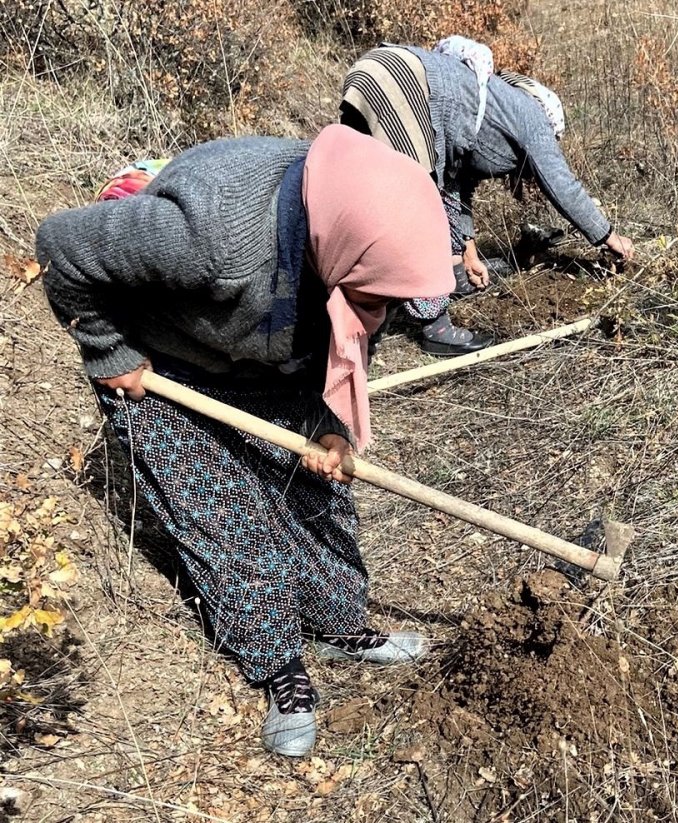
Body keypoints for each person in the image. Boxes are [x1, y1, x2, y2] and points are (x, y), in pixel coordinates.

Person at [36, 124, 455, 757]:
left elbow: (346, 340)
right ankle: (278, 663)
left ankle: (338, 623)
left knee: (320, 488)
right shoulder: (209, 233)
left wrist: (331, 426)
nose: (386, 312)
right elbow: (62, 245)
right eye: (380, 298)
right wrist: (107, 349)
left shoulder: (347, 242)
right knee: (226, 516)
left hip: (265, 359)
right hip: (166, 368)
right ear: (342, 251)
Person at [339, 36, 636, 356]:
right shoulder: (534, 117)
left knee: (375, 208)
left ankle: (352, 309)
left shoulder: (488, 104)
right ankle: (435, 328)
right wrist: (608, 236)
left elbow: (455, 188)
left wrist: (467, 253)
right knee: (417, 210)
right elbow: (562, 186)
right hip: (403, 86)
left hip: (370, 75)